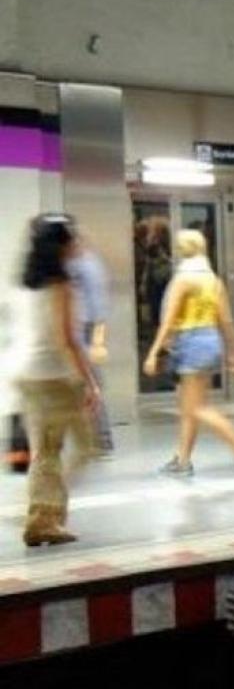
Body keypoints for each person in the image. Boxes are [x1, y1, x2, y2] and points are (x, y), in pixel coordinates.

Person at [143, 229, 234, 478]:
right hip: (210, 340)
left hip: (191, 342)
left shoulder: (184, 279)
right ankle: (183, 460)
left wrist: (154, 351)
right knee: (190, 407)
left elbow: (168, 320)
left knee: (197, 408)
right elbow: (226, 320)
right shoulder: (213, 280)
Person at [12, 214, 99, 546]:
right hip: (53, 379)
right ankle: (42, 516)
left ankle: (44, 516)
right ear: (61, 246)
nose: (78, 243)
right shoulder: (60, 285)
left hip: (29, 375)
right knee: (80, 448)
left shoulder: (26, 282)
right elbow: (67, 339)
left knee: (46, 452)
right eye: (73, 239)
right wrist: (89, 381)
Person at [64, 233, 113, 454]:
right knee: (87, 382)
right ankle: (96, 438)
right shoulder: (77, 263)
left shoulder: (87, 264)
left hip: (82, 330)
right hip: (76, 329)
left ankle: (101, 439)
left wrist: (98, 339)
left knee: (90, 382)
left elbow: (98, 305)